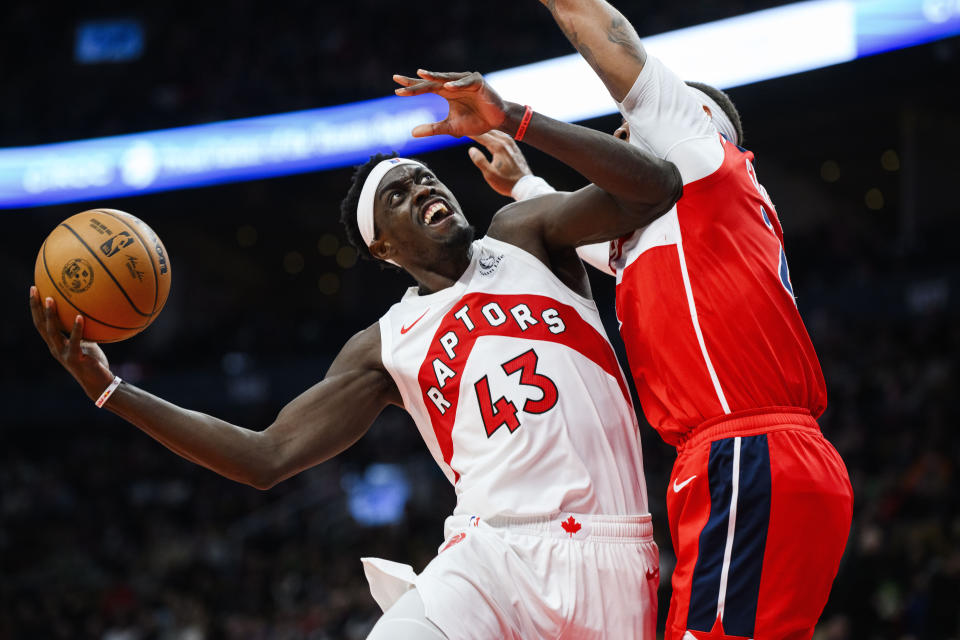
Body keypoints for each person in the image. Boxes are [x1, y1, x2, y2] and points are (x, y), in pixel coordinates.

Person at [30, 67, 682, 639]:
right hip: (490, 555)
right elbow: (267, 456)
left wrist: (518, 120)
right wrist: (113, 392)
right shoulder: (384, 345)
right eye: (397, 195)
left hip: (612, 551)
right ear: (383, 249)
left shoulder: (524, 235)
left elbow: (652, 188)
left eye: (425, 179)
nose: (424, 190)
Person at [463, 2, 855, 638]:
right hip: (752, 458)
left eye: (629, 126)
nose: (619, 138)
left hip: (745, 451)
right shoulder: (671, 227)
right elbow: (580, 231)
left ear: (692, 124)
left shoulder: (701, 159)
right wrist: (524, 186)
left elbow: (611, 37)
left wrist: (520, 106)